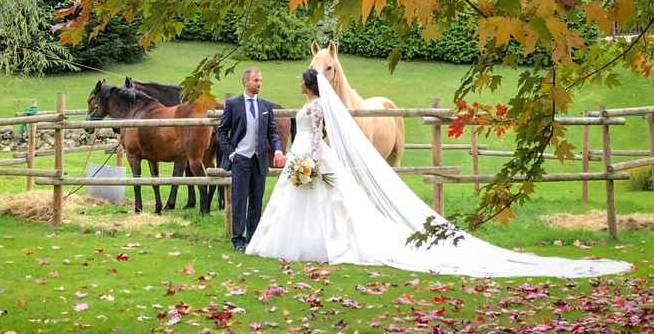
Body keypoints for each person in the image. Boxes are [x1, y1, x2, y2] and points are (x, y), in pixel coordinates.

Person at [246, 68, 632, 278]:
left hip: (310, 157)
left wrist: (308, 163)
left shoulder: (315, 108)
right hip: (303, 157)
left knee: (321, 202)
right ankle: (305, 245)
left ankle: (314, 246)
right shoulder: (312, 104)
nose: (299, 81)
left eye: (302, 80)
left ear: (310, 86)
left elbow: (317, 138)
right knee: (314, 204)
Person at [217, 67, 286, 252]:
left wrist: (278, 150)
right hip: (241, 159)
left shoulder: (265, 107)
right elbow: (221, 131)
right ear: (245, 82)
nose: (259, 84)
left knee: (257, 200)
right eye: (256, 80)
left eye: (260, 80)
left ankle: (253, 238)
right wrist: (232, 154)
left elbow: (272, 133)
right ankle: (238, 239)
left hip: (259, 160)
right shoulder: (233, 104)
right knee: (239, 200)